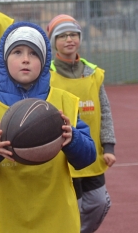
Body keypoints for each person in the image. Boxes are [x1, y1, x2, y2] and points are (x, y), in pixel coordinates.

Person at [0, 21, 96, 233]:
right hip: (3, 217)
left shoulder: (64, 102)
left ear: (44, 61)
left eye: (34, 53)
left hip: (55, 215)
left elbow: (88, 158)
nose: (25, 59)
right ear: (4, 60)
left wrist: (73, 139)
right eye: (17, 52)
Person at [47, 14, 116, 233]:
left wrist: (109, 146)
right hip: (62, 157)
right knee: (71, 207)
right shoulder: (48, 75)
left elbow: (104, 110)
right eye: (63, 35)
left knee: (99, 203)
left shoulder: (94, 73)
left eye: (74, 34)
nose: (69, 39)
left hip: (92, 154)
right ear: (54, 42)